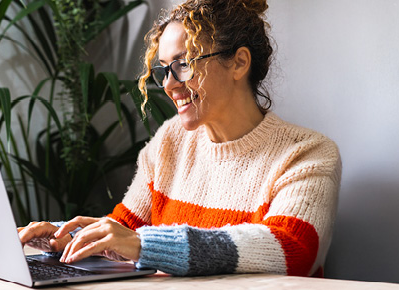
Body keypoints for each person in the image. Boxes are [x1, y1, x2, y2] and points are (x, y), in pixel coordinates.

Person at [18, 0, 341, 277]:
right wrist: (61, 235)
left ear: (239, 62)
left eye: (183, 65)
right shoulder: (170, 140)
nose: (169, 85)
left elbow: (289, 249)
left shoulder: (307, 154)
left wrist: (144, 244)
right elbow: (125, 230)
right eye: (163, 69)